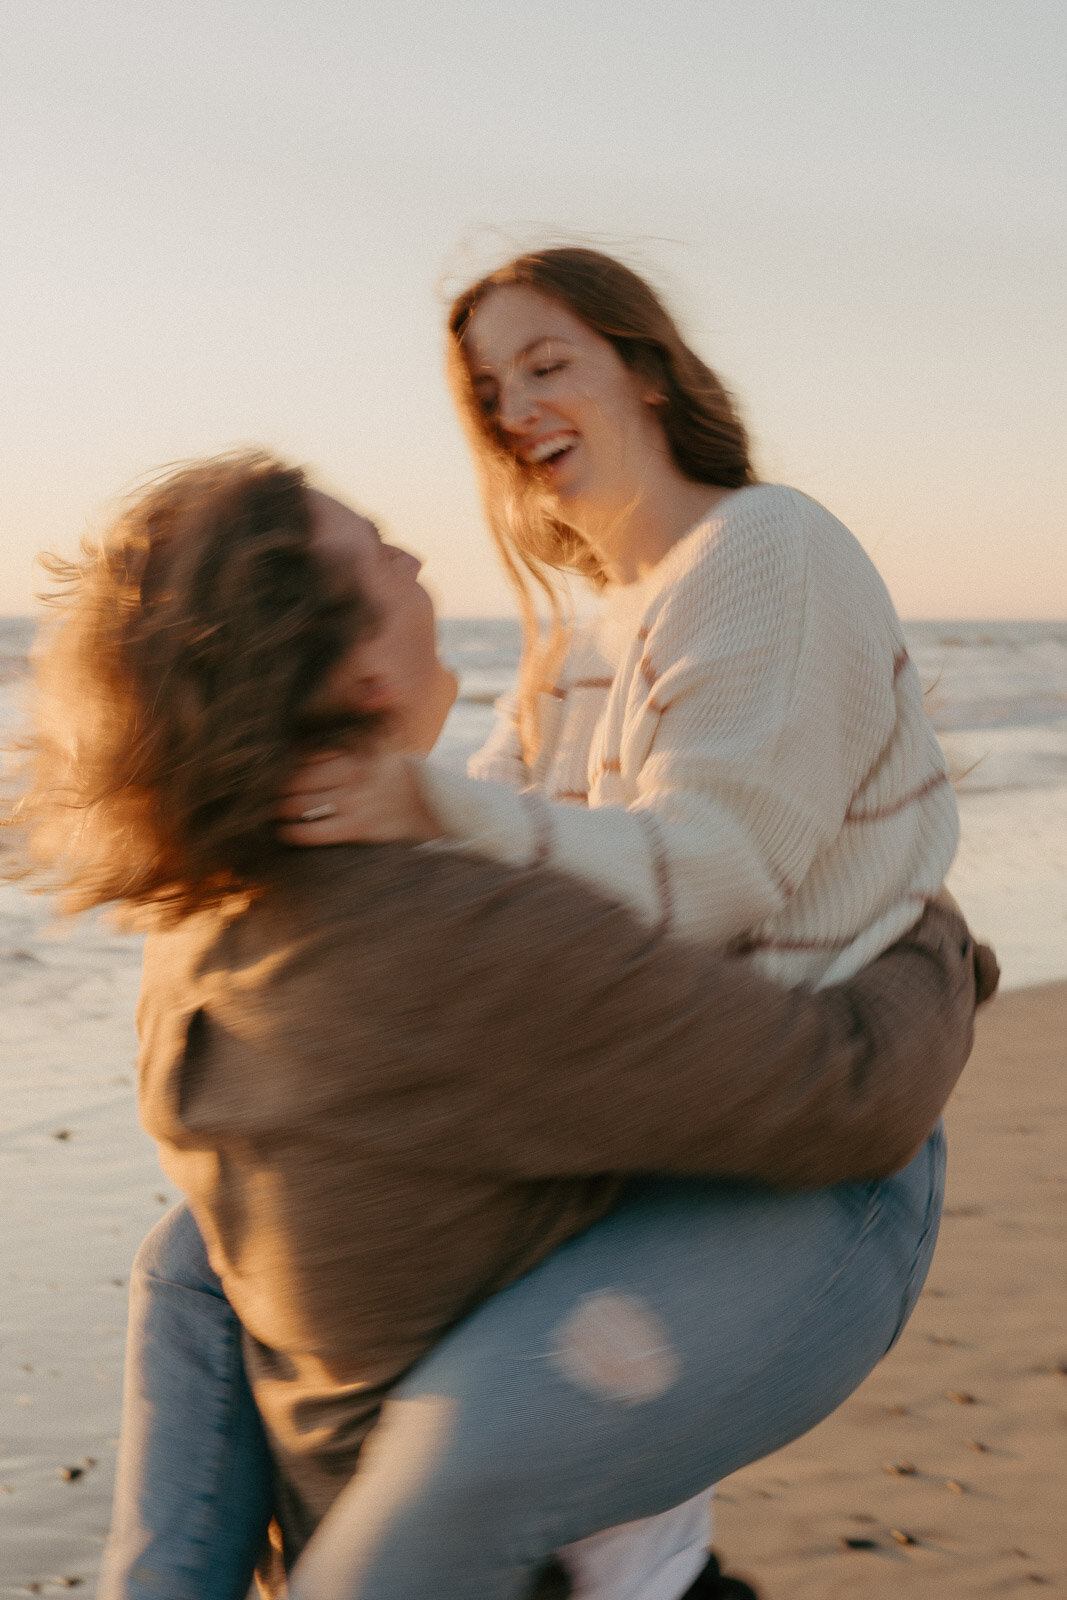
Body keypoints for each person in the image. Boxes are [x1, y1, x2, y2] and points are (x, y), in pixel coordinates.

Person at [12, 452, 996, 1600]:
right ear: (357, 673)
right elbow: (843, 1093)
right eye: (379, 550)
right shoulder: (455, 939)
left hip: (324, 1522)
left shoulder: (209, 930)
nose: (419, 558)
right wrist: (925, 931)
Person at [264, 247, 963, 1595]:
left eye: (546, 362)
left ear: (642, 367)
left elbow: (708, 877)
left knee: (438, 1493)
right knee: (199, 1261)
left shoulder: (764, 549)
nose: (513, 405)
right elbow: (477, 890)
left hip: (800, 1148)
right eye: (486, 387)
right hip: (633, 1128)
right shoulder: (581, 634)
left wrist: (411, 800)